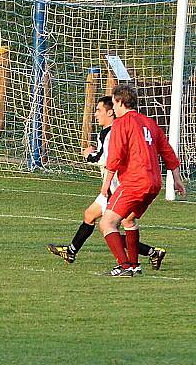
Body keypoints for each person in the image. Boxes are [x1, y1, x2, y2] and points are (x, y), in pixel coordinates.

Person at [47, 96, 166, 272]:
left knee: (110, 225)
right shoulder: (110, 131)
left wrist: (89, 156)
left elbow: (110, 159)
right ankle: (72, 251)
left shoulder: (113, 130)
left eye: (98, 110)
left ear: (110, 111)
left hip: (119, 186)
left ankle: (136, 260)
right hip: (119, 185)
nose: (96, 114)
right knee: (92, 216)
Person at [98, 84, 185, 277]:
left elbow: (116, 154)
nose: (113, 108)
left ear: (120, 102)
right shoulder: (149, 122)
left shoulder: (121, 123)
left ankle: (124, 266)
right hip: (154, 183)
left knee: (106, 223)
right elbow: (167, 151)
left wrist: (106, 182)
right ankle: (135, 265)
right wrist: (177, 179)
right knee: (129, 219)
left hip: (134, 182)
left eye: (113, 103)